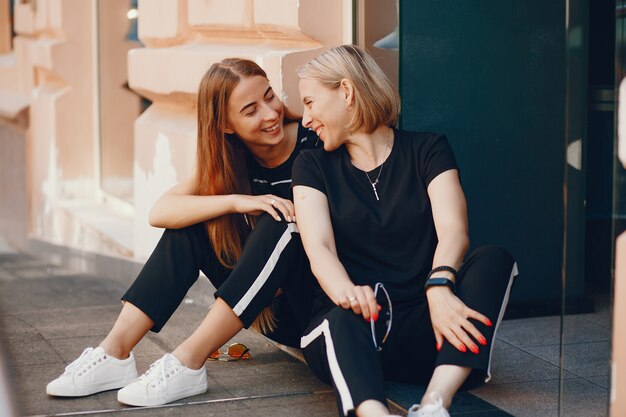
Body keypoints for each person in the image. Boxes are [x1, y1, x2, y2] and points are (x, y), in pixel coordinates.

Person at [46, 58, 319, 406]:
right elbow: (161, 211)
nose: (270, 114)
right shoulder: (235, 161)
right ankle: (114, 353)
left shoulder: (314, 145)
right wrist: (236, 201)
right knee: (189, 226)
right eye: (251, 110)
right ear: (226, 126)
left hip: (312, 308)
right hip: (268, 312)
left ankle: (188, 362)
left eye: (270, 97)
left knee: (281, 219)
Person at [292, 45, 518, 417]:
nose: (306, 119)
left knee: (493, 259)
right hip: (354, 333)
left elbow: (454, 230)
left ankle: (434, 403)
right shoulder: (312, 165)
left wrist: (439, 286)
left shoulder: (428, 149)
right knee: (343, 315)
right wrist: (348, 295)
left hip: (427, 327)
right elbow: (319, 248)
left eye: (311, 102)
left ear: (346, 92)